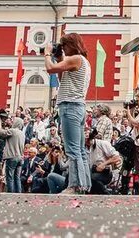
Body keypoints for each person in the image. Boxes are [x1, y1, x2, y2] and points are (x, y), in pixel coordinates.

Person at [45, 33, 91, 195]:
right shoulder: (82, 61)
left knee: (72, 150)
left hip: (70, 106)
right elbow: (61, 77)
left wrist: (47, 53)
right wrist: (59, 59)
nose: (62, 48)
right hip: (78, 107)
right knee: (80, 150)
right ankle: (84, 185)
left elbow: (50, 69)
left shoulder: (75, 58)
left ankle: (75, 186)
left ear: (71, 45)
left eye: (64, 46)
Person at [87, 128, 122, 194]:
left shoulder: (102, 144)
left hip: (105, 173)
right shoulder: (83, 147)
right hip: (91, 171)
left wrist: (104, 164)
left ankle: (106, 194)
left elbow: (117, 157)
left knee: (91, 178)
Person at [0, 117, 25, 193]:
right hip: (20, 157)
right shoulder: (22, 133)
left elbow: (1, 133)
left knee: (10, 177)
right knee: (17, 177)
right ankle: (18, 193)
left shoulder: (13, 131)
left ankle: (11, 193)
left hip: (12, 156)